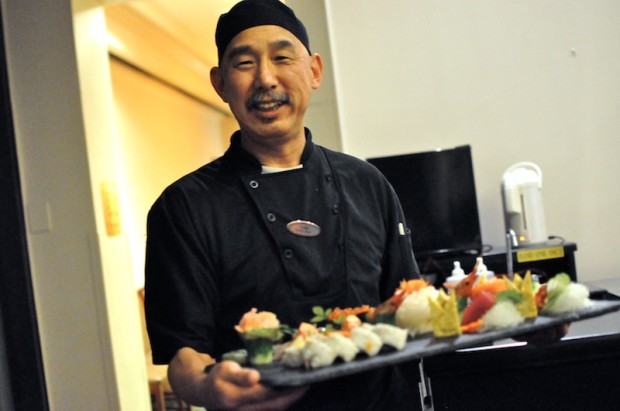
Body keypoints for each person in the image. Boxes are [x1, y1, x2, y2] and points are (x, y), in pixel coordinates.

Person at [144, 0, 421, 410]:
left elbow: (409, 303)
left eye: (282, 57)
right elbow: (184, 356)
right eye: (244, 64)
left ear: (313, 71)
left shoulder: (367, 183)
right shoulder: (183, 207)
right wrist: (208, 388)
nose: (266, 79)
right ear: (220, 84)